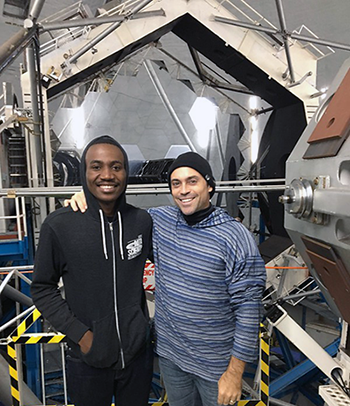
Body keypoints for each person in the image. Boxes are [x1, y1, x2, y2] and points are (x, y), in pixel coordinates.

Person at [66, 151, 266, 406]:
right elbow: (119, 214)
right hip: (172, 360)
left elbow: (249, 309)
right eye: (176, 183)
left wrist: (235, 374)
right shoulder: (160, 221)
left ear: (210, 186)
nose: (183, 190)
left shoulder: (235, 237)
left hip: (216, 367)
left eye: (192, 181)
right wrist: (89, 197)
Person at [31, 136, 153, 406]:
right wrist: (82, 335)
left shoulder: (141, 221)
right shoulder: (59, 226)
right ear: (84, 172)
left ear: (126, 173)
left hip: (137, 358)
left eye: (116, 166)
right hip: (86, 360)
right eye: (96, 167)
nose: (107, 175)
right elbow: (42, 288)